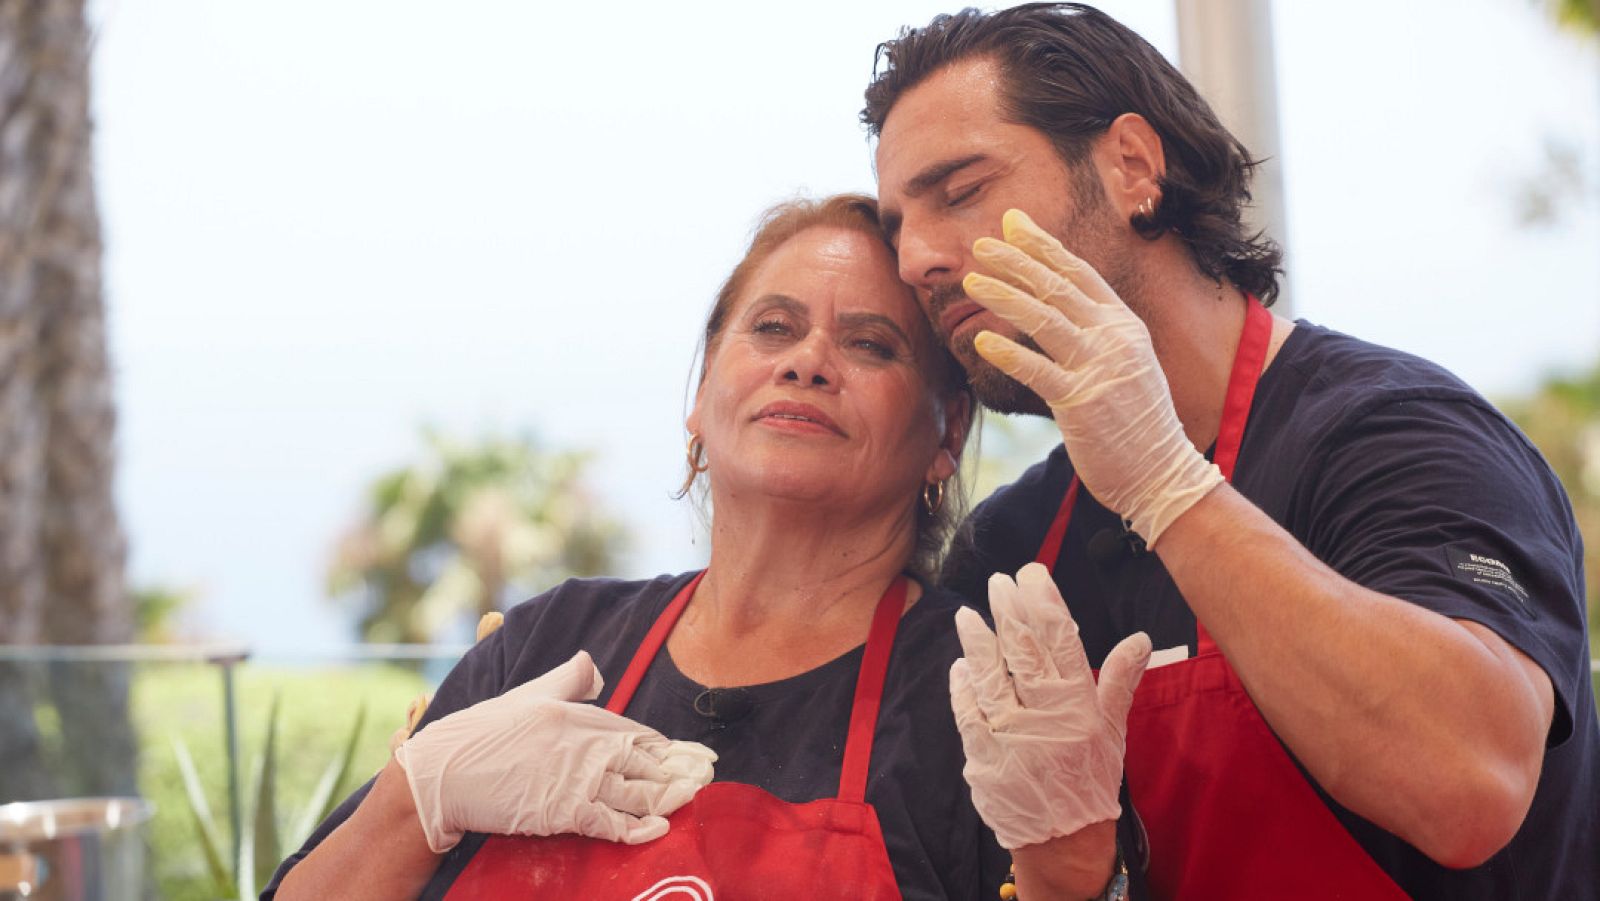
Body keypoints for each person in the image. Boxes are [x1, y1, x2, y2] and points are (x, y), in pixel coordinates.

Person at [862, 4, 1600, 900]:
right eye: (899, 223)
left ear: (1132, 165)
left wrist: (1170, 486)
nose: (918, 259)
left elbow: (1471, 783)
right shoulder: (1012, 549)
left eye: (962, 190)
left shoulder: (1398, 431)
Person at [260, 194, 1020, 899]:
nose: (808, 360)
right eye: (773, 328)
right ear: (701, 394)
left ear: (946, 433)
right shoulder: (545, 646)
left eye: (870, 344)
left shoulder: (980, 700)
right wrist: (415, 797)